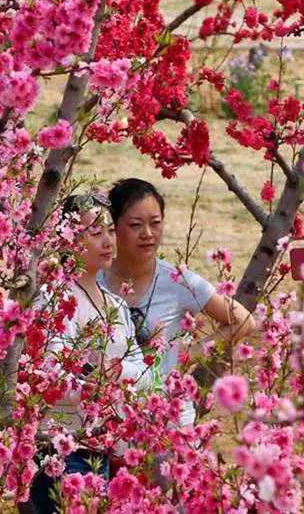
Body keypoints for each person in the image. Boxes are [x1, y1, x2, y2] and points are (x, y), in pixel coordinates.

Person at [29, 193, 151, 514]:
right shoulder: (54, 298)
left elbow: (140, 368)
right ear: (68, 238)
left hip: (104, 443)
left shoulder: (117, 305)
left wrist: (116, 378)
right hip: (59, 447)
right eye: (95, 232)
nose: (108, 240)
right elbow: (47, 374)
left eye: (110, 230)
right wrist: (94, 387)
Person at [98, 178, 255, 426]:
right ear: (114, 227)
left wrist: (188, 356)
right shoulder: (94, 280)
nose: (148, 234)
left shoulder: (176, 281)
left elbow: (243, 320)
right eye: (135, 225)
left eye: (156, 223)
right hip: (106, 420)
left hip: (167, 418)